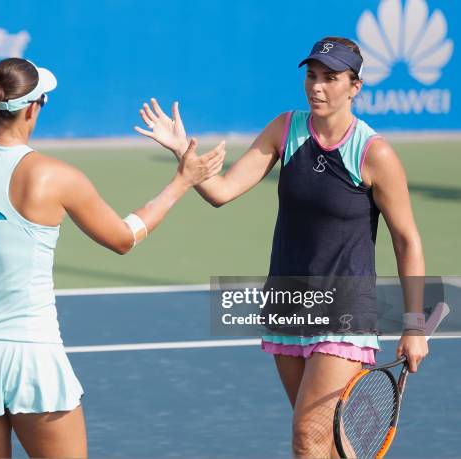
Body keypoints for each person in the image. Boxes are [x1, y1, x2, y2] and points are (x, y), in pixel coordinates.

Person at [0, 57, 226, 459]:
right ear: (33, 109)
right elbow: (124, 239)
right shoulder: (58, 176)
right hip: (32, 357)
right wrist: (182, 181)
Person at [136, 37, 428, 458]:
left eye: (331, 78)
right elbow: (220, 191)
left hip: (344, 309)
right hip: (288, 301)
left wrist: (414, 325)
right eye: (312, 76)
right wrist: (184, 152)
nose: (317, 87)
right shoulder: (286, 129)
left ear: (355, 86)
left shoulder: (373, 152)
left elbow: (407, 238)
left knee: (305, 439)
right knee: (326, 441)